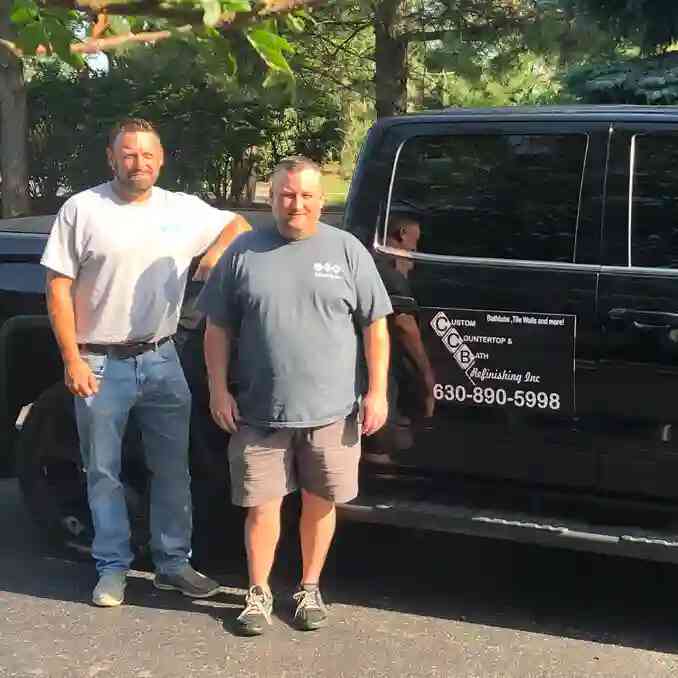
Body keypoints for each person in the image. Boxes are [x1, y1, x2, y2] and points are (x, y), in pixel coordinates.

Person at [41, 117, 251, 608]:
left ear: (162, 159)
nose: (140, 163)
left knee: (172, 469)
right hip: (97, 360)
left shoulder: (181, 208)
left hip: (162, 358)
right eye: (129, 154)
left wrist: (214, 254)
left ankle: (173, 563)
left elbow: (237, 225)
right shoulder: (82, 209)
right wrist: (71, 358)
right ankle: (112, 568)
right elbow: (57, 286)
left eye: (148, 155)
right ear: (111, 158)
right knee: (104, 471)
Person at [198, 156, 392, 635]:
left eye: (306, 195)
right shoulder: (244, 252)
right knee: (262, 508)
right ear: (272, 198)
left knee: (319, 503)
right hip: (259, 411)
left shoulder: (346, 251)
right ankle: (259, 592)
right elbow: (217, 327)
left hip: (331, 412)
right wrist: (217, 388)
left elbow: (376, 327)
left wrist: (378, 392)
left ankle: (309, 587)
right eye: (286, 195)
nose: (296, 204)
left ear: (321, 201)